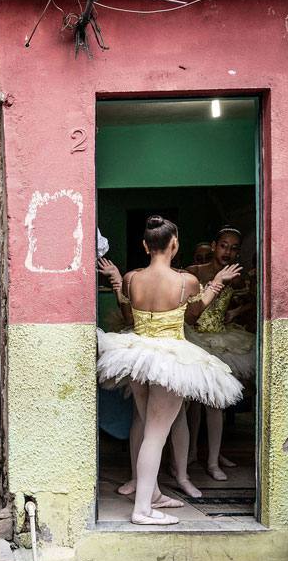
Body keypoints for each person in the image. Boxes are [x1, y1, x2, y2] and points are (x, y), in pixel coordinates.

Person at [97, 216, 243, 525]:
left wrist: (114, 279)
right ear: (175, 244)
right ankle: (142, 511)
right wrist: (217, 285)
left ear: (145, 245)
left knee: (148, 427)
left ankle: (152, 495)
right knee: (155, 434)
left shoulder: (131, 279)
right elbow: (192, 315)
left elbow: (128, 316)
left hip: (136, 356)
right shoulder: (185, 281)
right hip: (170, 358)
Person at [184, 226, 255, 481]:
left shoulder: (236, 277)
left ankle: (213, 461)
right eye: (224, 245)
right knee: (192, 401)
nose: (229, 251)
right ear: (214, 245)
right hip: (194, 339)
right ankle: (191, 452)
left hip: (222, 342)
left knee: (215, 402)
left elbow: (252, 301)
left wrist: (235, 313)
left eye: (235, 247)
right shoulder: (194, 272)